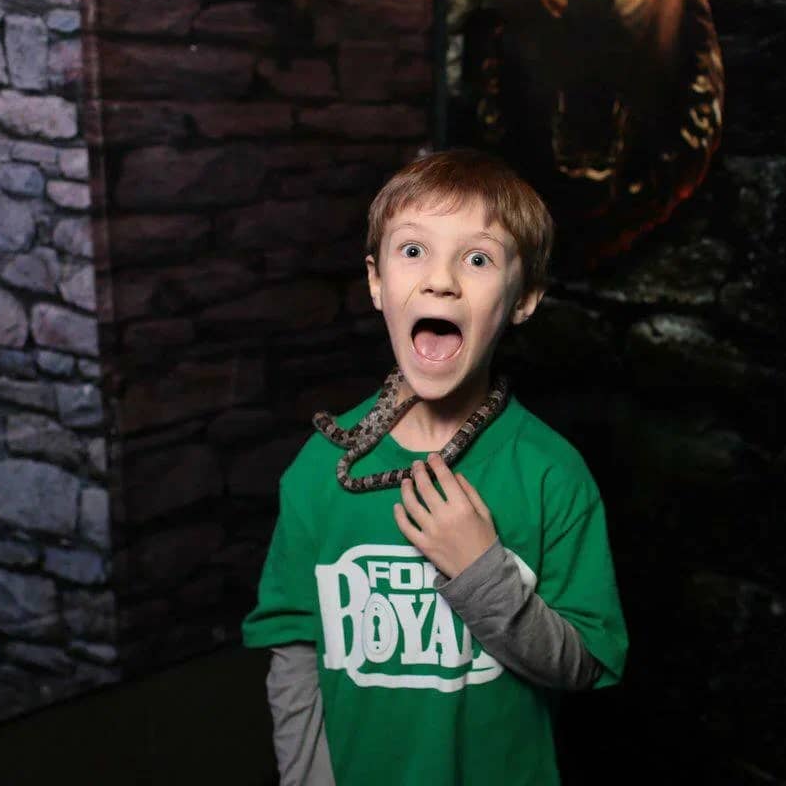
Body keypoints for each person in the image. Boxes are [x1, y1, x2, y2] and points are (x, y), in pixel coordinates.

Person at [241, 149, 628, 785]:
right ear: (376, 282)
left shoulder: (552, 475)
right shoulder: (317, 472)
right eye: (414, 250)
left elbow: (586, 663)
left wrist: (481, 572)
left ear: (524, 298)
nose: (440, 281)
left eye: (477, 259)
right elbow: (295, 650)